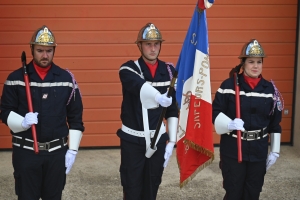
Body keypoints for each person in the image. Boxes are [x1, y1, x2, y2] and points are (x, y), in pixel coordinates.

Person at [0, 25, 84, 200]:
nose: (45, 55)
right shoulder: (15, 79)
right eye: (40, 50)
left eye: (49, 50)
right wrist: (21, 122)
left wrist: (73, 150)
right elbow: (4, 111)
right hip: (26, 153)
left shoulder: (66, 79)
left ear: (54, 50)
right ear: (31, 49)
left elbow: (76, 118)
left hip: (56, 153)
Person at [212, 39, 283, 200]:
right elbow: (215, 112)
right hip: (233, 149)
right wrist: (229, 124)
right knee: (234, 191)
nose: (255, 66)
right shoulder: (228, 86)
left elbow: (275, 123)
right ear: (243, 63)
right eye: (251, 62)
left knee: (253, 192)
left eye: (259, 62)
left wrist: (276, 149)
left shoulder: (271, 90)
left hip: (258, 150)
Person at [117, 23, 179, 200]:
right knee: (132, 188)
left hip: (157, 140)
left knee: (152, 189)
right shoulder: (128, 68)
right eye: (148, 44)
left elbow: (172, 110)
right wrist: (158, 97)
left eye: (156, 44)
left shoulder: (169, 72)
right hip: (133, 142)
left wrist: (172, 140)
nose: (153, 49)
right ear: (139, 46)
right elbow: (138, 86)